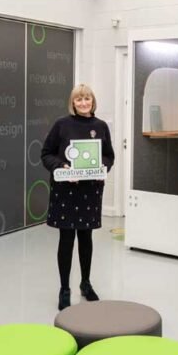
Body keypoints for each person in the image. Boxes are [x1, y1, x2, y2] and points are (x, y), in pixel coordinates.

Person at [41, 84, 115, 311]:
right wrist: (62, 167)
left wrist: (101, 167)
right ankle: (64, 288)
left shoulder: (101, 126)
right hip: (66, 191)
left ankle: (85, 283)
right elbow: (46, 154)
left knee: (86, 238)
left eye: (87, 98)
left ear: (93, 101)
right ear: (73, 103)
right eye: (79, 99)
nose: (83, 103)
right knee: (66, 240)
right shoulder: (61, 125)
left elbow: (109, 156)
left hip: (90, 191)